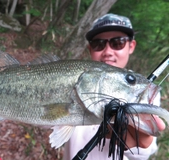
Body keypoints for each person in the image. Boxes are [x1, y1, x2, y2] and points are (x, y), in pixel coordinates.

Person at [63, 13, 165, 160]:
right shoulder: (73, 77)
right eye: (98, 44)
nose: (108, 52)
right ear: (90, 48)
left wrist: (140, 145)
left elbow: (145, 153)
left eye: (118, 42)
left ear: (131, 46)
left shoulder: (141, 90)